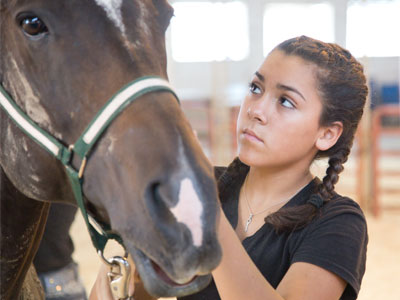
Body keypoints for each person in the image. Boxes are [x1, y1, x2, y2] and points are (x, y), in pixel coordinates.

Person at [90, 36, 369, 300]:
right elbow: (127, 291)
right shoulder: (204, 185)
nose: (254, 110)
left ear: (327, 134)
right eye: (255, 88)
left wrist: (206, 211)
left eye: (286, 101)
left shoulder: (339, 222)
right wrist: (131, 266)